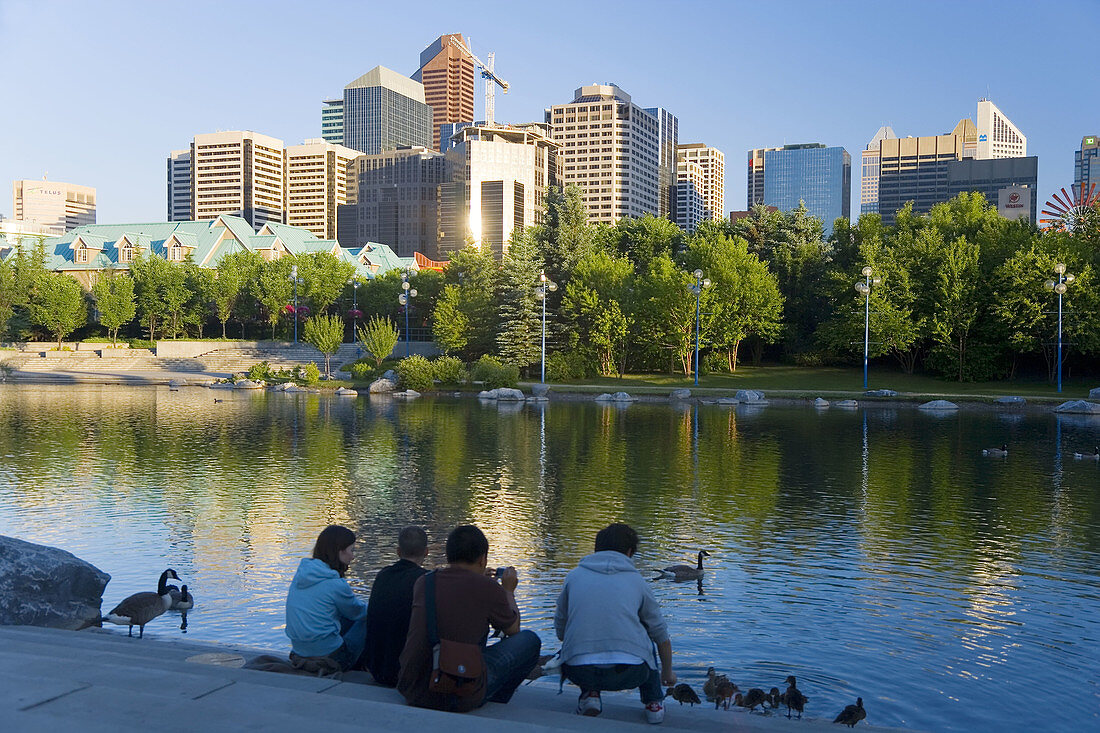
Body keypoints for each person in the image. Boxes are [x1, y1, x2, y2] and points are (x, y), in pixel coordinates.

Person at [398, 524, 541, 712]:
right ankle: (492, 697)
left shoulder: (424, 581)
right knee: (530, 641)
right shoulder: (488, 589)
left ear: (449, 556)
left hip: (415, 689)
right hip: (459, 693)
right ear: (483, 559)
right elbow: (513, 629)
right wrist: (507, 591)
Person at [554, 523, 676, 724]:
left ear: (596, 549)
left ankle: (590, 695)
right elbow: (661, 635)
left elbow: (561, 627)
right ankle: (653, 702)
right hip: (630, 673)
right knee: (647, 630)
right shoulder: (638, 582)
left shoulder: (574, 576)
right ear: (630, 552)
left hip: (579, 671)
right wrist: (667, 672)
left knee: (584, 631)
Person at [285, 524, 368, 671]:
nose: (353, 556)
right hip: (331, 656)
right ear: (340, 552)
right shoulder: (336, 584)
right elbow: (358, 612)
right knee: (369, 618)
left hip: (298, 652)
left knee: (339, 614)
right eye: (351, 550)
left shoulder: (301, 575)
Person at [362, 526, 429, 686]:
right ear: (426, 552)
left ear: (398, 552)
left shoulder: (383, 575)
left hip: (376, 668)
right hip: (402, 672)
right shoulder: (426, 581)